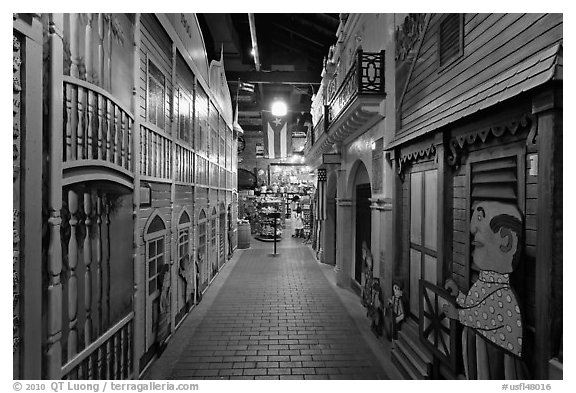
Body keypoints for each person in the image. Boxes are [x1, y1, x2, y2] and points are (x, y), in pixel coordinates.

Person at [443, 201, 526, 379]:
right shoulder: (484, 282)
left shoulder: (504, 294)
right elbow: (473, 306)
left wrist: (458, 316)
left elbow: (484, 316)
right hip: (479, 353)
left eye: (480, 217)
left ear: (506, 241)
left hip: (496, 359)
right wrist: (458, 294)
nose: (473, 228)